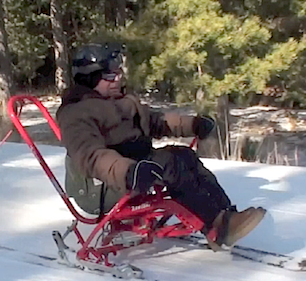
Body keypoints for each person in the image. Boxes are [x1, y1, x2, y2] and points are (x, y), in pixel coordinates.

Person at [56, 43, 267, 248]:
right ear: (90, 78)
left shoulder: (120, 102)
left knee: (184, 155)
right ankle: (216, 226)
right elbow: (90, 155)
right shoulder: (76, 112)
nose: (118, 78)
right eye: (110, 75)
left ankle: (225, 216)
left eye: (118, 72)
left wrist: (193, 124)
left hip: (133, 167)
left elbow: (156, 121)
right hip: (99, 186)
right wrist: (128, 171)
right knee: (169, 163)